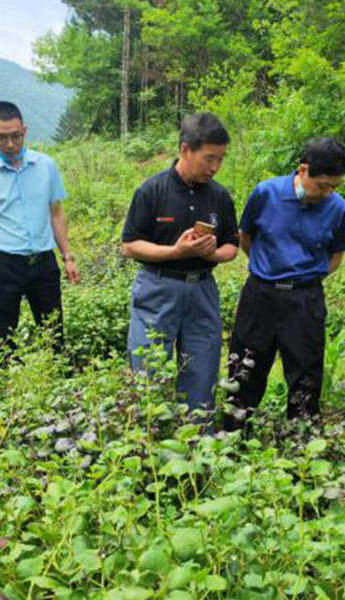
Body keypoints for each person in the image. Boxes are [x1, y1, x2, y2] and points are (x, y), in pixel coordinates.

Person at [223, 138, 345, 431]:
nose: (328, 192)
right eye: (322, 186)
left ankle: (302, 447)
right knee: (244, 370)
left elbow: (336, 255)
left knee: (305, 376)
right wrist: (269, 269)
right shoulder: (265, 193)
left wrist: (305, 278)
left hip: (305, 301)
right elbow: (246, 237)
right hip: (260, 295)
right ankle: (232, 440)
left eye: (335, 186)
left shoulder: (337, 208)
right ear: (303, 170)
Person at [121, 112, 239, 414]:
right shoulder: (151, 190)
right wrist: (176, 252)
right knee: (149, 368)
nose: (215, 168)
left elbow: (231, 246)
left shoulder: (220, 196)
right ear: (185, 149)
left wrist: (210, 254)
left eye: (220, 159)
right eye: (208, 158)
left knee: (203, 366)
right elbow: (130, 245)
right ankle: (147, 437)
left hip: (202, 290)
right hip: (158, 287)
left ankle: (198, 439)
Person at [0, 101, 79, 355]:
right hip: (4, 264)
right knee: (1, 340)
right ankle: (1, 387)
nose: (10, 144)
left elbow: (56, 214)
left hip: (44, 263)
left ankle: (60, 384)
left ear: (24, 130)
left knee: (54, 335)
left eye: (16, 136)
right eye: (1, 138)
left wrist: (67, 256)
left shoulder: (45, 165)